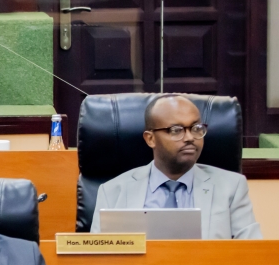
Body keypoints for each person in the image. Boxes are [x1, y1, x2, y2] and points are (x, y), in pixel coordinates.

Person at [91, 94, 261, 239]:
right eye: (176, 130)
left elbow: (252, 254)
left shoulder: (231, 187)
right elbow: (97, 260)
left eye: (196, 128)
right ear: (150, 139)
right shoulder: (113, 191)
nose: (189, 137)